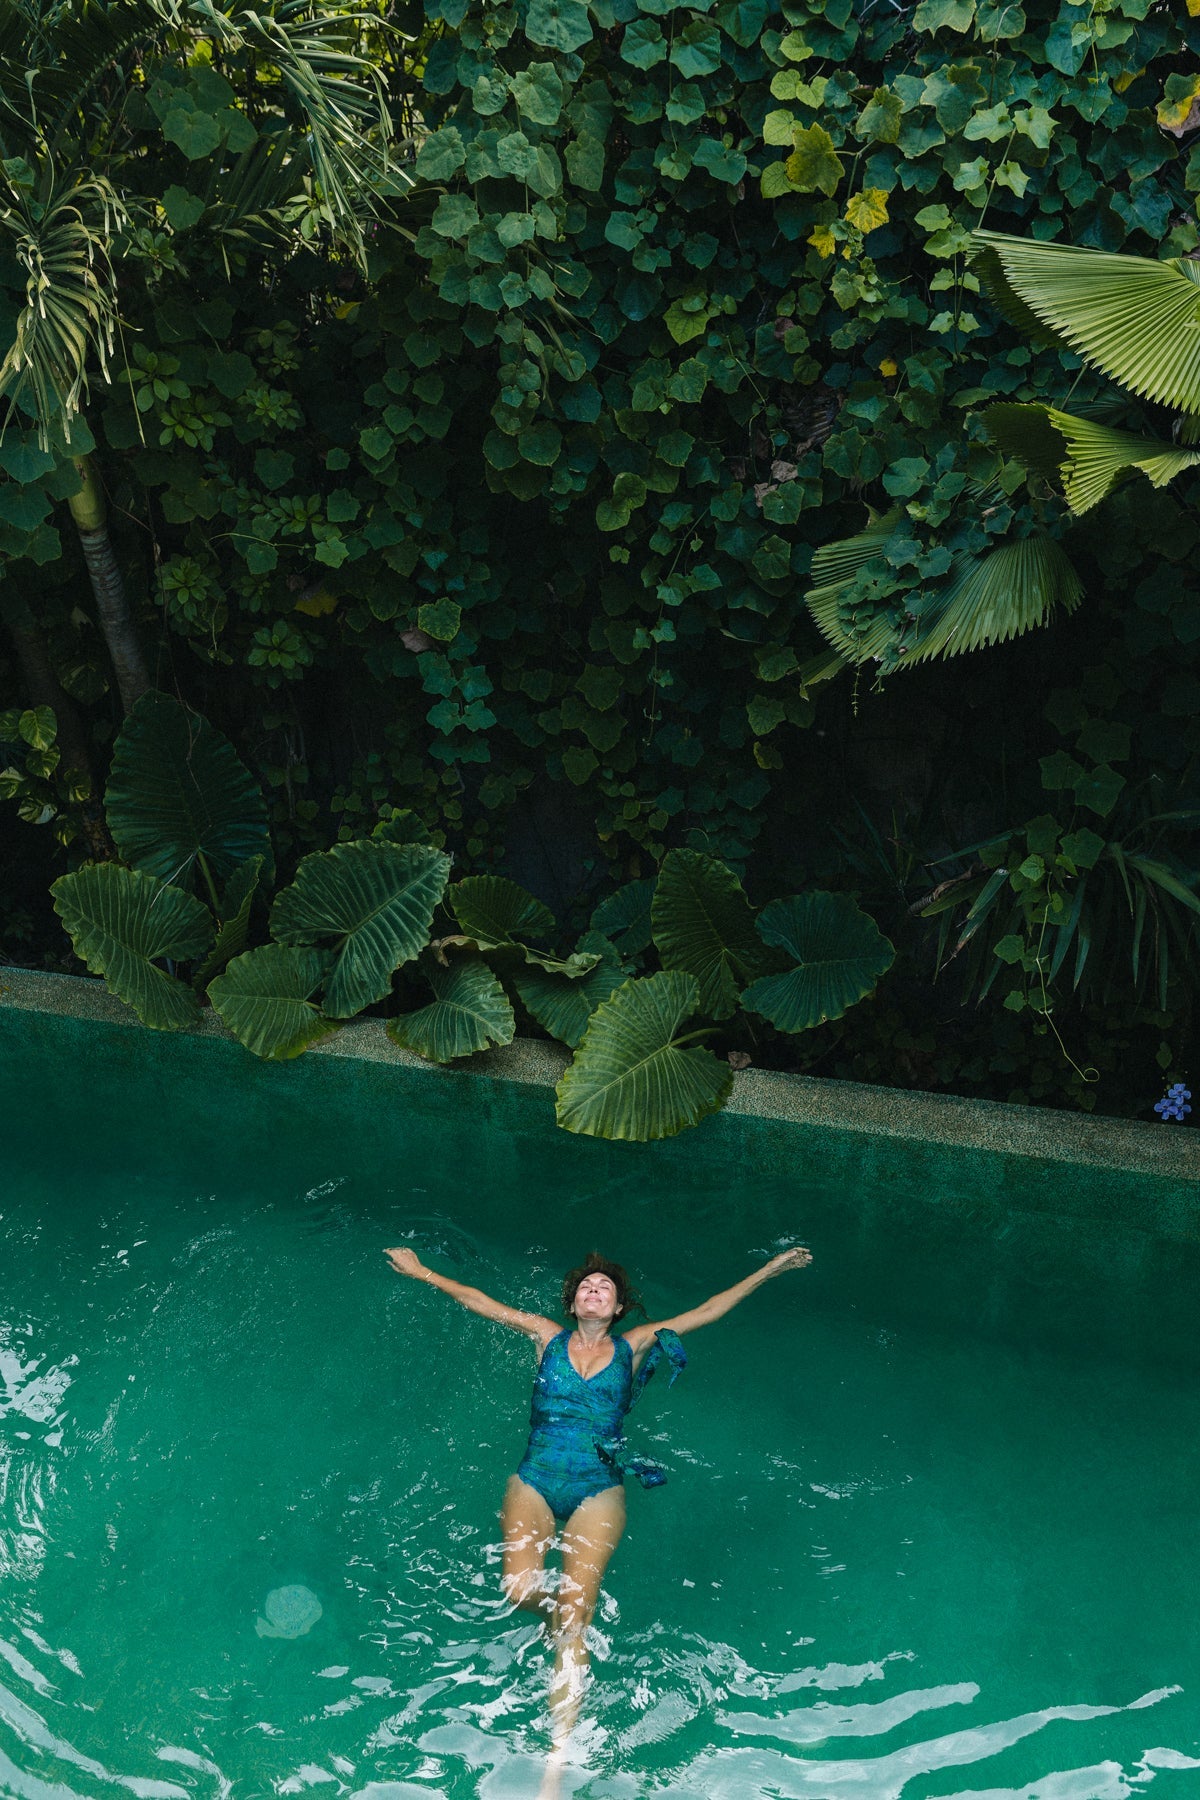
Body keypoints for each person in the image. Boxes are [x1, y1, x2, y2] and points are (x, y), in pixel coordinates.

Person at [382, 1243, 813, 1755]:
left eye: (605, 1288)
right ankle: (563, 1616)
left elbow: (707, 1310)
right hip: (535, 1477)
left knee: (575, 1620)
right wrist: (421, 1271)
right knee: (518, 1588)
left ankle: (557, 1755)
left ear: (617, 1308)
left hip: (599, 1486)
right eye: (587, 1286)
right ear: (573, 1304)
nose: (594, 1290)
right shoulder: (546, 1335)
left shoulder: (635, 1345)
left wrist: (770, 1267)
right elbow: (479, 1300)